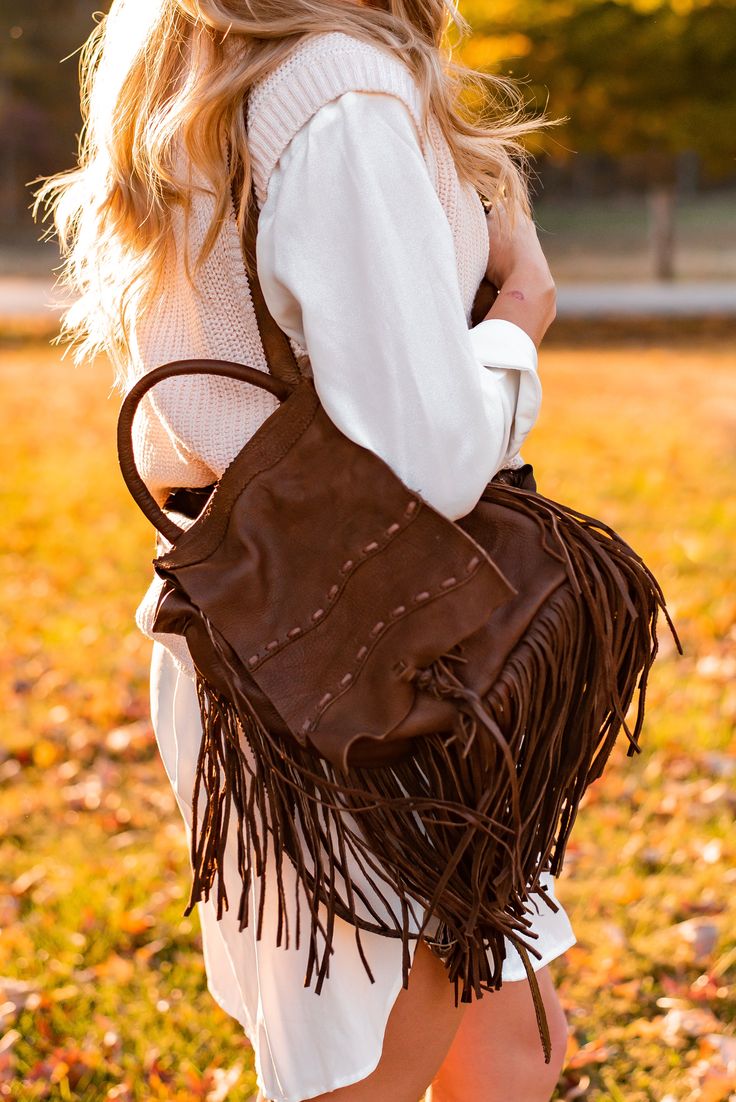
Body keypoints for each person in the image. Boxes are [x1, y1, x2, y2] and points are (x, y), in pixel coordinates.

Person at [35, 1, 575, 1099]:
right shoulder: (334, 82)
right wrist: (519, 314)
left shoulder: (192, 55)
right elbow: (428, 455)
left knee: (507, 1031)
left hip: (278, 623)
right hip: (362, 652)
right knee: (376, 1060)